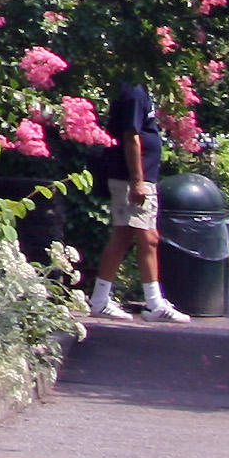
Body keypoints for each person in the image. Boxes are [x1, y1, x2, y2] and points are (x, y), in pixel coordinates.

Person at [86, 79, 191, 322]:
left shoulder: (138, 89)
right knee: (149, 238)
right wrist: (137, 180)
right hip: (132, 178)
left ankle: (100, 301)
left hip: (135, 178)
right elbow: (131, 134)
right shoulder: (132, 91)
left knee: (123, 236)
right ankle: (154, 304)